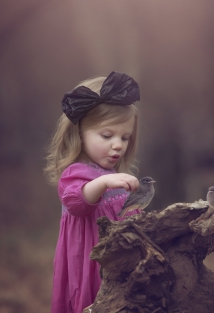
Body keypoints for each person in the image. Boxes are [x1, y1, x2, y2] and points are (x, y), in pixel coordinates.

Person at [45, 71, 143, 313]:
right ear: (80, 133)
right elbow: (77, 201)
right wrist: (103, 183)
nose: (118, 144)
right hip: (91, 266)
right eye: (107, 135)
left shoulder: (113, 177)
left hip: (124, 264)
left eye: (125, 137)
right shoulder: (76, 174)